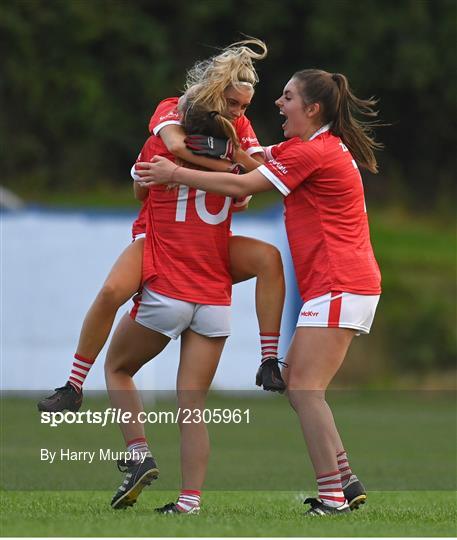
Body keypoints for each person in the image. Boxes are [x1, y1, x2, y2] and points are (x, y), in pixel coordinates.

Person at [135, 68, 383, 516]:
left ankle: (331, 498)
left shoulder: (315, 152)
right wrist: (180, 121)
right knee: (299, 385)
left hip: (341, 283)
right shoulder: (305, 148)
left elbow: (246, 183)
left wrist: (175, 171)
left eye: (286, 97)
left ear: (312, 109)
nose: (277, 104)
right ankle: (345, 481)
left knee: (306, 389)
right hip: (341, 284)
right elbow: (247, 158)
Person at [37, 38, 286, 414]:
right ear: (213, 92)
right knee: (110, 293)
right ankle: (73, 384)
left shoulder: (239, 127)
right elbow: (170, 155)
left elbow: (258, 175)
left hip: (204, 248)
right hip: (157, 237)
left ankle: (269, 359)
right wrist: (226, 171)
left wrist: (230, 166)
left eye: (243, 106)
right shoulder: (173, 110)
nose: (237, 112)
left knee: (269, 259)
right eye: (232, 103)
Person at [106, 97, 249, 514]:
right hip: (215, 299)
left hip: (169, 288)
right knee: (192, 404)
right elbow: (243, 198)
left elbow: (138, 190)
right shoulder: (234, 172)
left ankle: (138, 454)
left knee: (117, 368)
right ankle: (189, 502)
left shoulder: (159, 150)